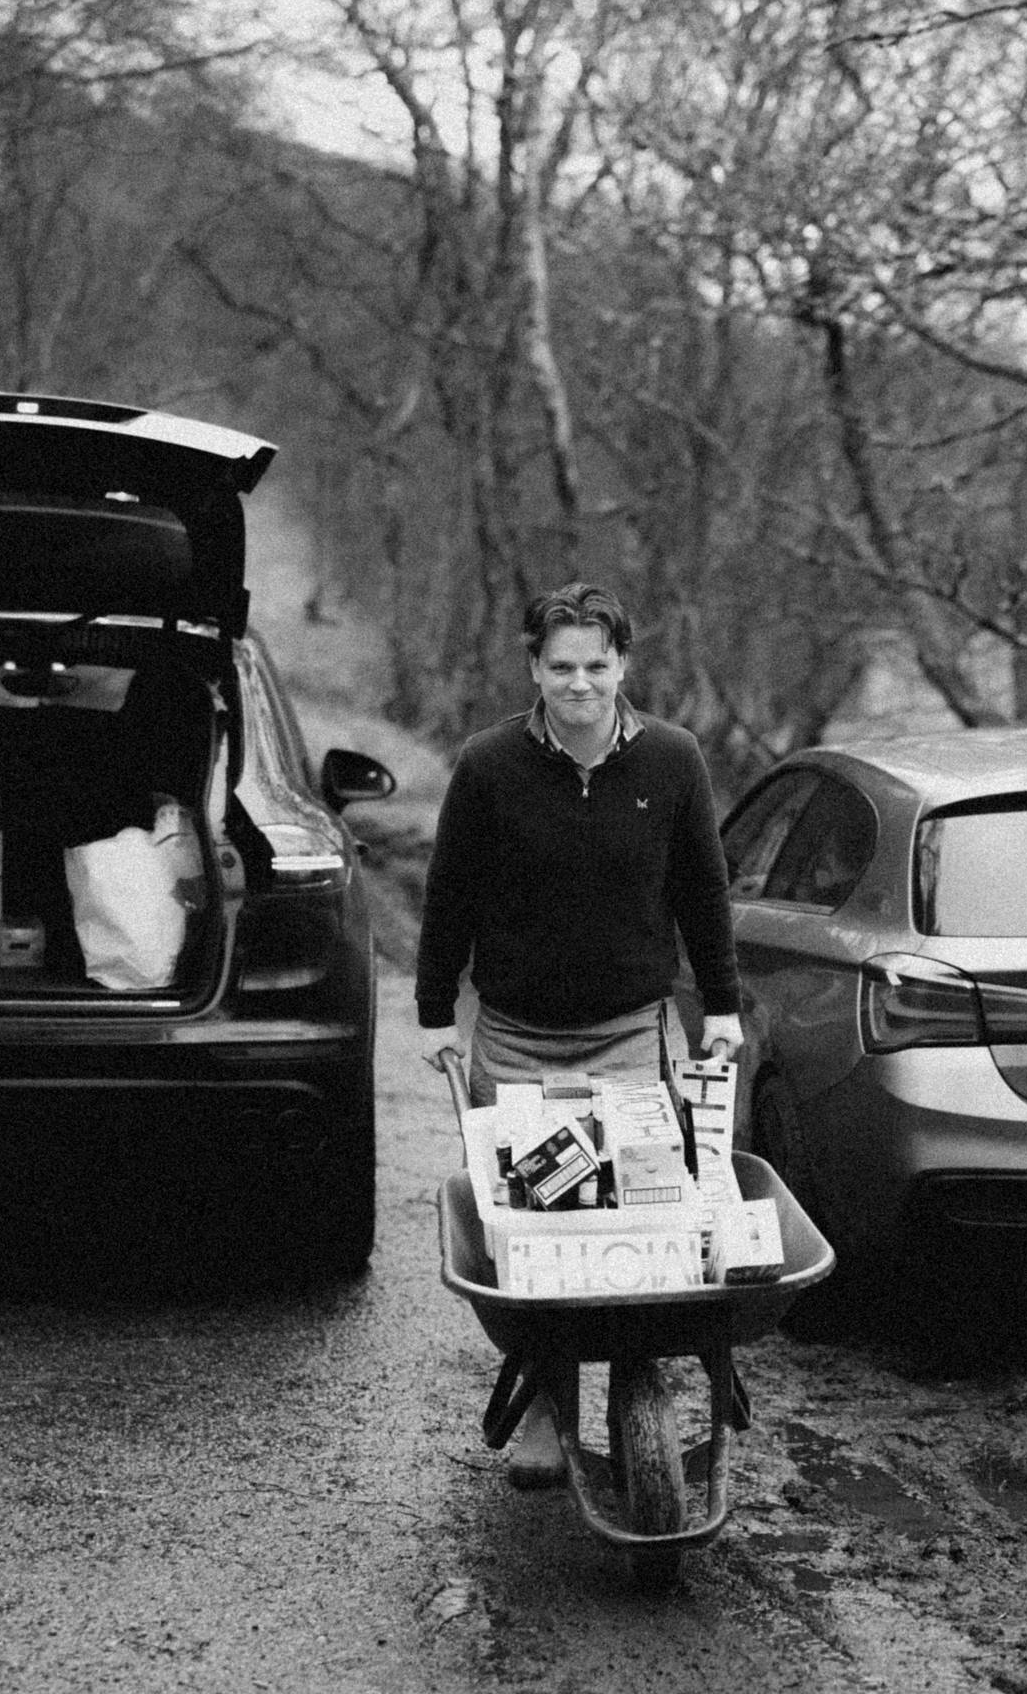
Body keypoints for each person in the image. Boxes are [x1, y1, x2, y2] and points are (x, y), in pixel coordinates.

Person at [416, 581, 744, 1485]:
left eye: (597, 666)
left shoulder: (673, 761)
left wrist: (722, 1007)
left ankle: (638, 1380)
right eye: (561, 667)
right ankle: (549, 1414)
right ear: (533, 667)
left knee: (640, 1224)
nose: (579, 684)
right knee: (540, 1237)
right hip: (518, 1040)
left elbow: (702, 894)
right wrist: (436, 1010)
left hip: (631, 1036)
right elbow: (450, 893)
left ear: (623, 666)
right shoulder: (488, 766)